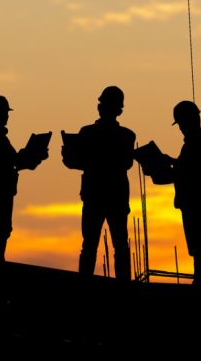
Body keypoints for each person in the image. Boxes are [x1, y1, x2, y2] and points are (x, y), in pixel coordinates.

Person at [67, 85, 136, 279]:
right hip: (111, 196)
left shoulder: (89, 133)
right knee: (112, 245)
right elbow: (126, 163)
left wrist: (71, 157)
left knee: (94, 245)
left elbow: (78, 162)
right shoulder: (126, 136)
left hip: (98, 196)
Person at [154, 100, 201, 284]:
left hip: (194, 200)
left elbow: (187, 172)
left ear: (190, 120)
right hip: (197, 200)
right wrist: (172, 162)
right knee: (196, 244)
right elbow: (187, 167)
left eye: (182, 123)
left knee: (196, 245)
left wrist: (160, 170)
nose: (181, 128)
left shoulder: (197, 144)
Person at [0, 94, 47, 262]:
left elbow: (13, 161)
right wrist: (32, 155)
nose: (7, 116)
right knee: (2, 225)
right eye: (4, 112)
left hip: (1, 186)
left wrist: (33, 157)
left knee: (3, 226)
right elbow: (12, 160)